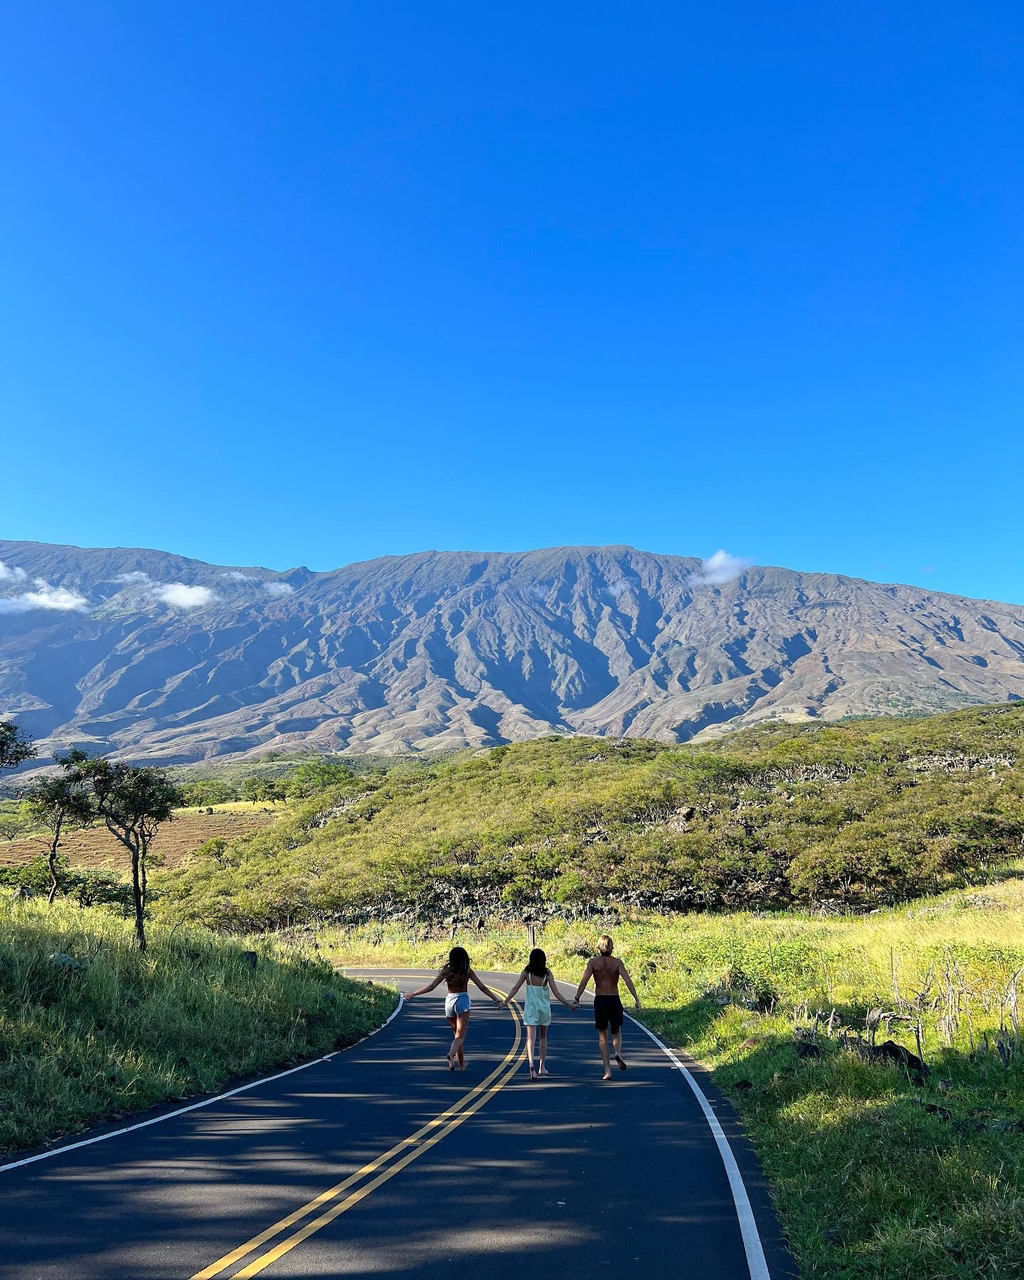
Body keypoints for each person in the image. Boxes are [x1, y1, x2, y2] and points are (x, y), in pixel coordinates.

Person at [405, 946, 502, 1071]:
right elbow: (482, 987)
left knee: (456, 1036)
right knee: (460, 1037)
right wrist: (495, 999)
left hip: (449, 1001)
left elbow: (432, 986)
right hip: (462, 1001)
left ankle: (460, 1064)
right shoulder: (467, 971)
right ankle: (451, 1055)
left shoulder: (447, 971)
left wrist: (414, 993)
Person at [573, 934, 641, 1080]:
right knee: (616, 1032)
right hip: (614, 1000)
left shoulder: (593, 963)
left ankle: (607, 1071)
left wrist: (577, 998)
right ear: (611, 947)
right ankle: (617, 1051)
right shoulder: (617, 963)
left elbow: (584, 981)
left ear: (599, 947)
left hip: (601, 1001)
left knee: (602, 1036)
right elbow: (628, 981)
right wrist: (636, 999)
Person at [502, 947, 577, 1080]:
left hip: (531, 1008)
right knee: (543, 1037)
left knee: (530, 1038)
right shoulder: (547, 973)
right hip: (544, 1008)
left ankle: (531, 1064)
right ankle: (542, 1066)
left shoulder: (527, 973)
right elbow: (557, 993)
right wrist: (569, 1004)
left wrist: (505, 1001)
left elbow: (515, 988)